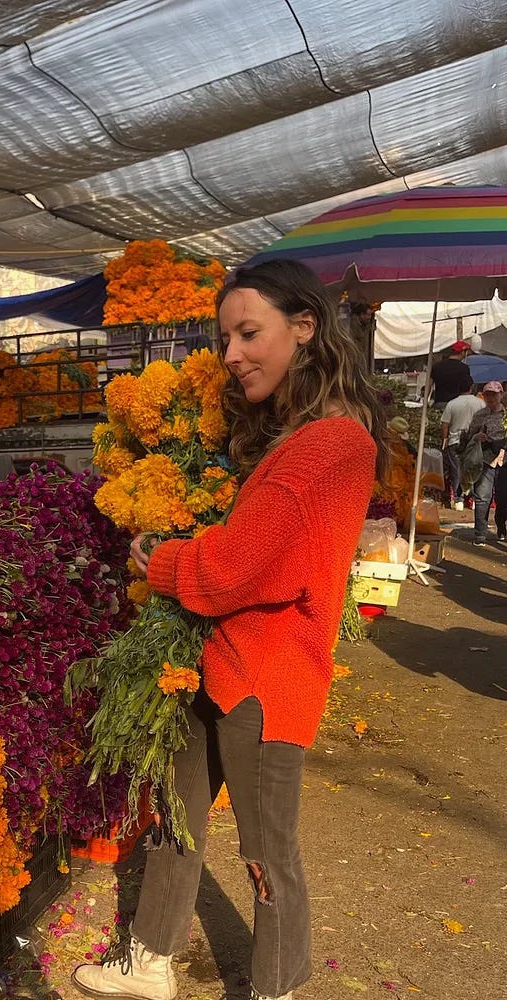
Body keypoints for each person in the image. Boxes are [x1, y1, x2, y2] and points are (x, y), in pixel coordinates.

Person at [71, 259, 390, 1000]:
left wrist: (163, 559)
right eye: (226, 337)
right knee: (176, 818)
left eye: (250, 333)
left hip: (266, 682)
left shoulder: (330, 444)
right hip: (219, 660)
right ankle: (150, 961)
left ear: (305, 328)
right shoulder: (295, 434)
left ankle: (276, 986)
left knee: (267, 852)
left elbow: (236, 567)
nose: (233, 353)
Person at [463, 381, 506, 545]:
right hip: (485, 459)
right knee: (482, 497)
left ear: (501, 395)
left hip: (504, 460)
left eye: (494, 394)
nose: (491, 398)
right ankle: (480, 533)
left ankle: (501, 525)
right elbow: (469, 436)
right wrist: (476, 437)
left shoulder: (506, 414)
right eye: (488, 394)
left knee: (504, 499)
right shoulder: (480, 415)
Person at [441, 385, 484, 509]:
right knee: (474, 470)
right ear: (472, 387)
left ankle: (458, 500)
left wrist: (445, 442)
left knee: (456, 471)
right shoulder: (480, 403)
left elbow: (445, 425)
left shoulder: (452, 404)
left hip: (455, 441)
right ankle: (474, 500)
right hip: (474, 442)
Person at [428, 340, 473, 406]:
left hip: (439, 404)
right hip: (456, 405)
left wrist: (425, 402)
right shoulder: (464, 368)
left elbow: (429, 385)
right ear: (462, 352)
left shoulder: (437, 366)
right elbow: (467, 390)